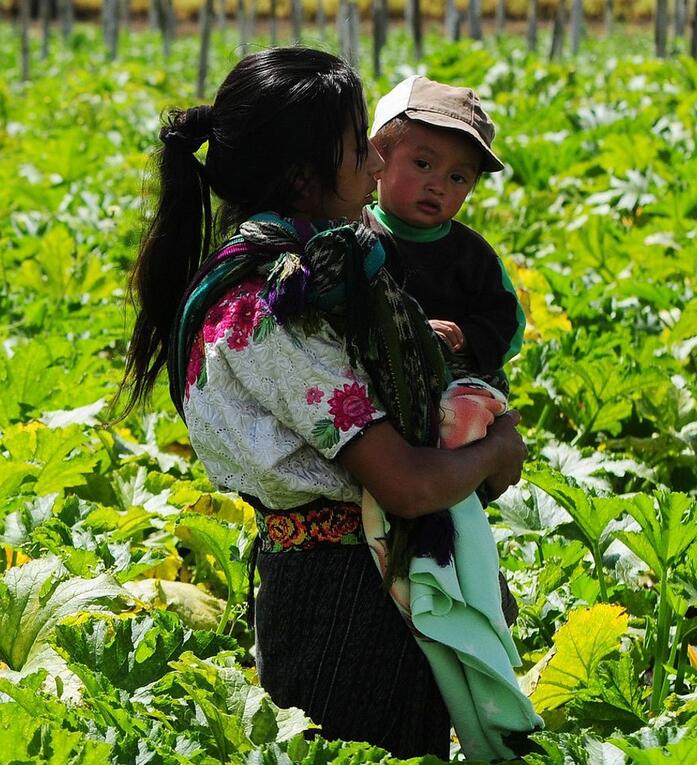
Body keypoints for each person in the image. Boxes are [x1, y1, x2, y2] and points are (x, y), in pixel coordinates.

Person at [122, 48, 529, 760]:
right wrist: (496, 452)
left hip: (327, 582)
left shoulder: (294, 273)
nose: (376, 169)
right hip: (350, 597)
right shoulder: (270, 306)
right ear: (305, 179)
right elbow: (402, 483)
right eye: (357, 150)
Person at [365, 75, 525, 394]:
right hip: (374, 387)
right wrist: (414, 334)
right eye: (423, 164)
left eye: (457, 177)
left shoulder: (473, 256)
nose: (438, 185)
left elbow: (510, 325)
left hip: (451, 387)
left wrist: (465, 338)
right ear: (378, 158)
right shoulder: (355, 234)